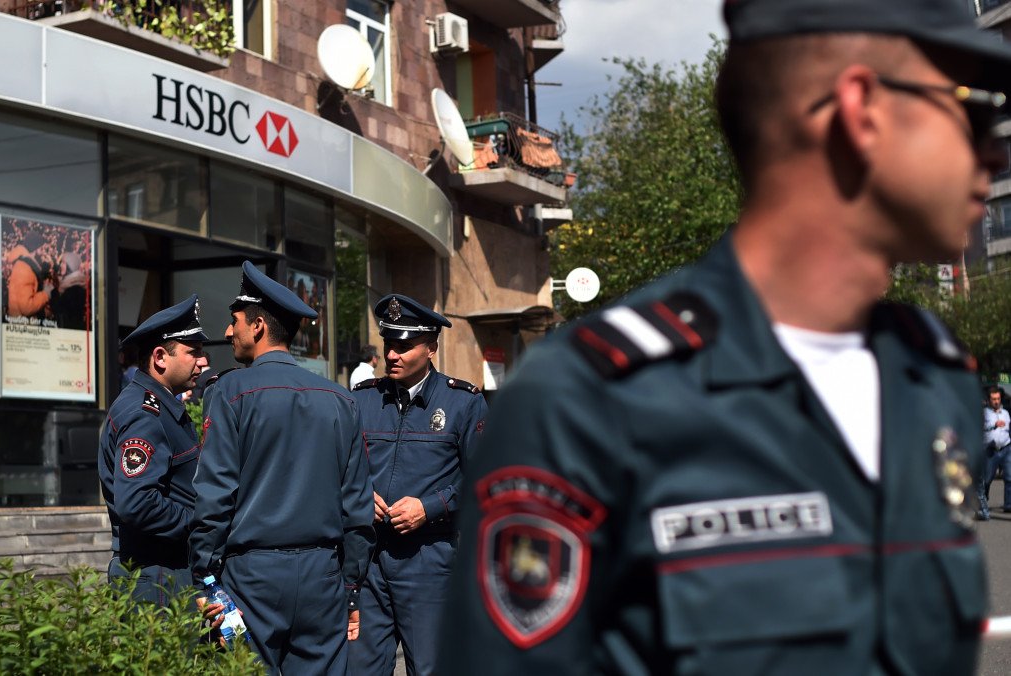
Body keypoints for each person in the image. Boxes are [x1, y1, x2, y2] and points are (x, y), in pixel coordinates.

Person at [437, 1, 1004, 673]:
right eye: (971, 110)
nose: (995, 148)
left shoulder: (930, 374)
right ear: (862, 111)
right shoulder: (593, 404)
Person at [189, 261, 375, 675]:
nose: (226, 332)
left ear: (257, 326)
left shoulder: (231, 392)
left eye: (234, 321)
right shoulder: (341, 400)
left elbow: (215, 495)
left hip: (251, 581)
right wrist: (348, 590)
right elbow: (358, 509)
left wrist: (204, 577)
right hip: (323, 580)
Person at [348, 294, 487, 676]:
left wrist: (432, 507)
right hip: (369, 560)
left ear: (431, 348)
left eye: (404, 346)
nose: (393, 354)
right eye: (389, 344)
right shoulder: (362, 401)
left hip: (431, 560)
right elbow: (341, 468)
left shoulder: (463, 403)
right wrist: (359, 495)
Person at [97, 294, 209, 607]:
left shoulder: (161, 407)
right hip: (157, 579)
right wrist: (199, 519)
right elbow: (137, 503)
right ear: (160, 358)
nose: (203, 361)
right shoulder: (144, 414)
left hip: (166, 572)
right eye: (193, 352)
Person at [978, 386, 1011, 520]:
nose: (996, 401)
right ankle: (983, 505)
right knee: (987, 480)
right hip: (990, 451)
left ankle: (1008, 505)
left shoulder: (1006, 413)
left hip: (1006, 448)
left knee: (1009, 478)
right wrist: (994, 425)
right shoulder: (984, 413)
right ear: (989, 400)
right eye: (993, 399)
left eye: (998, 398)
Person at [6, 231, 54, 319]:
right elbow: (26, 308)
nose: (44, 252)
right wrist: (46, 294)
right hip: (22, 325)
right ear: (36, 248)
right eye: (42, 248)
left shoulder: (25, 264)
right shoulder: (24, 268)